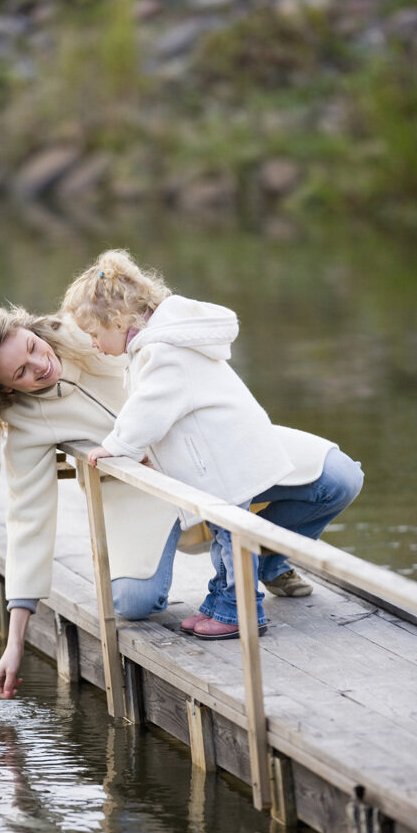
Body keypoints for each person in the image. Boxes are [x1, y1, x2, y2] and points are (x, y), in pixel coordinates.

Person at [61, 249, 364, 641]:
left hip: (223, 462)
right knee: (227, 538)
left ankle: (239, 612)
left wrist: (117, 446)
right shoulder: (162, 342)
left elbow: (149, 410)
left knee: (230, 540)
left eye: (95, 335)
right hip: (226, 456)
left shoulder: (160, 352)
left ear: (118, 321)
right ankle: (223, 604)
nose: (95, 346)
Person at [0, 303, 179, 712]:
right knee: (134, 602)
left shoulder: (85, 329)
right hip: (135, 496)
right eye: (21, 373)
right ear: (7, 390)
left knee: (325, 480)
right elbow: (27, 523)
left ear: (30, 330)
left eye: (32, 347)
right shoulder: (27, 425)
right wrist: (14, 644)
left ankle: (270, 560)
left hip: (193, 448)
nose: (40, 365)